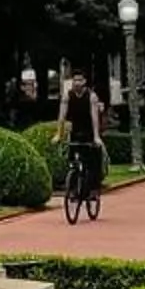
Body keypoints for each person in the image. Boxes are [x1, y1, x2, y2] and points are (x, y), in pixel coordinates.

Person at [59, 67, 106, 197]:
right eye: (74, 80)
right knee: (72, 160)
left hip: (90, 131)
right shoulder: (67, 96)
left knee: (93, 160)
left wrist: (96, 136)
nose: (77, 83)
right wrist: (59, 134)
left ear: (84, 81)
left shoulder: (91, 96)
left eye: (79, 80)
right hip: (76, 131)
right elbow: (61, 116)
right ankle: (73, 188)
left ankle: (93, 189)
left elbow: (94, 117)